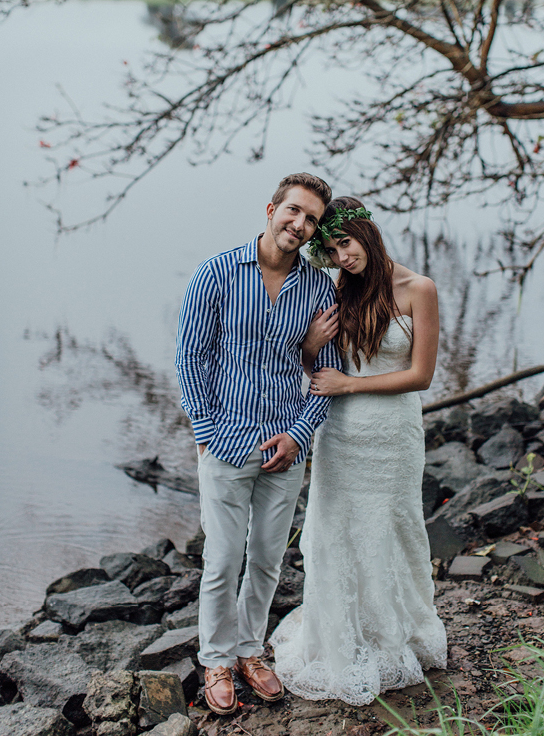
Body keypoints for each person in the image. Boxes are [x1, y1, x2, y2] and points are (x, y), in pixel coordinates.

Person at [175, 173, 342, 715]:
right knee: (223, 560)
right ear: (271, 210)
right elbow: (190, 358)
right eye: (293, 211)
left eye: (311, 219)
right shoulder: (217, 273)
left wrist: (299, 435)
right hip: (225, 442)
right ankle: (215, 660)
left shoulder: (318, 288)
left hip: (285, 447)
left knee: (268, 559)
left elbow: (328, 374)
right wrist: (206, 433)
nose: (299, 223)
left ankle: (250, 651)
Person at [270, 197, 447, 706]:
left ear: (367, 232)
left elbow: (422, 375)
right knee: (337, 533)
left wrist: (350, 385)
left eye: (345, 243)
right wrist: (309, 349)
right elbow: (320, 370)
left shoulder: (419, 289)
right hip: (341, 435)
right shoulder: (335, 290)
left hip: (393, 435)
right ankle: (341, 639)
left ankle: (394, 636)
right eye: (330, 250)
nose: (342, 257)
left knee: (390, 530)